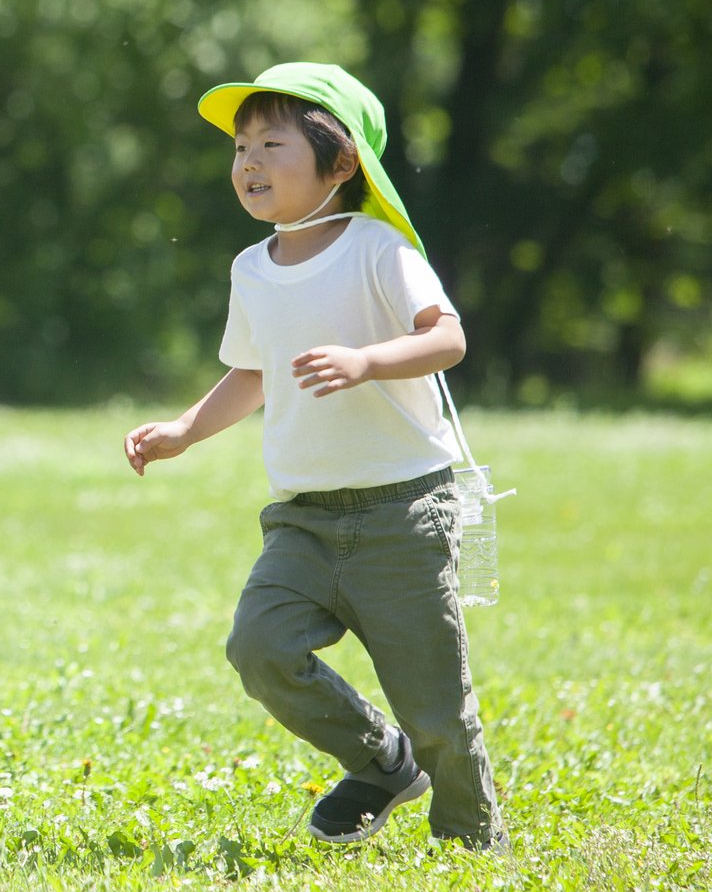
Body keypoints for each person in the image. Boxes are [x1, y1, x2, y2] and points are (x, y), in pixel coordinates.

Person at [122, 63, 505, 851]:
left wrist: (367, 360)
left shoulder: (378, 248)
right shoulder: (252, 268)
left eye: (272, 142)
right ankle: (382, 762)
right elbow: (253, 371)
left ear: (342, 164)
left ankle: (471, 840)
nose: (249, 161)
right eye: (239, 146)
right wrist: (185, 429)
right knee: (259, 648)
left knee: (434, 704)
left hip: (402, 511)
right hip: (302, 518)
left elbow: (448, 336)